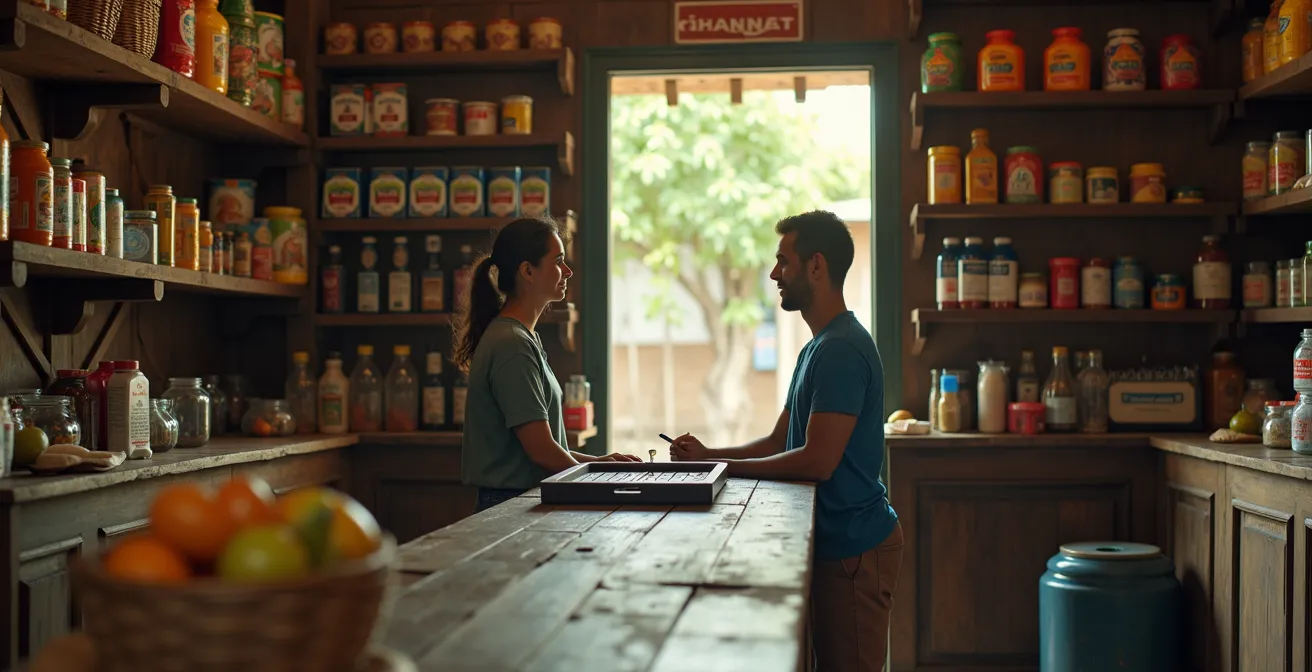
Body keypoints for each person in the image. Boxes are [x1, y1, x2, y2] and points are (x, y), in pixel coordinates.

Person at [670, 210, 902, 672]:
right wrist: (709, 456)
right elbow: (780, 440)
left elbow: (817, 461)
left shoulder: (840, 349)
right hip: (834, 545)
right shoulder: (817, 346)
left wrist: (722, 469)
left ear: (816, 265)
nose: (774, 273)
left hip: (854, 549)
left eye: (783, 261)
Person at [453, 217, 640, 513]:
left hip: (519, 503)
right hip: (511, 507)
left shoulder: (520, 337)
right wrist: (597, 485)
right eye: (558, 262)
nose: (567, 271)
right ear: (528, 271)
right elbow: (541, 451)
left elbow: (545, 448)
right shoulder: (512, 343)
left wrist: (598, 464)